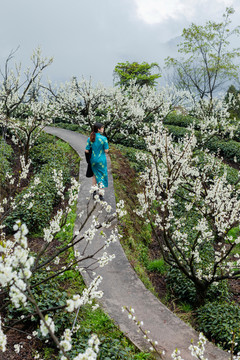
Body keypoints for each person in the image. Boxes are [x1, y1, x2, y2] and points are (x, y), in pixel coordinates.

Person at [85, 122, 109, 200]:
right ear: (98, 129)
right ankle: (101, 194)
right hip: (101, 160)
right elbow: (106, 150)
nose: (103, 129)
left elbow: (86, 150)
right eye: (102, 128)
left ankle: (94, 191)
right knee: (101, 176)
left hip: (93, 160)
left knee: (95, 175)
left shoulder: (90, 138)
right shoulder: (104, 139)